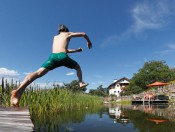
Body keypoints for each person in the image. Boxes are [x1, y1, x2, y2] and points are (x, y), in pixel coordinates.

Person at [10, 24, 93, 107]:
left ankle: (18, 91)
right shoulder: (67, 33)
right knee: (78, 67)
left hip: (53, 57)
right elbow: (83, 34)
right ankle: (80, 82)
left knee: (38, 73)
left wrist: (76, 50)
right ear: (66, 29)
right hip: (62, 56)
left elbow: (65, 49)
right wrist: (88, 41)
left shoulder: (55, 37)